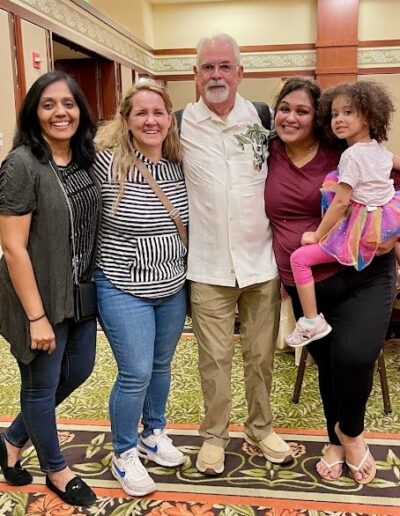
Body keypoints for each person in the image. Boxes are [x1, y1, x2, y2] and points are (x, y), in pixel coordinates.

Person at [265, 76, 396, 485]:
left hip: (363, 274)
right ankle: (335, 441)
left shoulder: (347, 152)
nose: (292, 117)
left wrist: (392, 233)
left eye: (303, 110)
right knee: (330, 365)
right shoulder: (267, 152)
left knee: (355, 357)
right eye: (284, 109)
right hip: (310, 285)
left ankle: (351, 434)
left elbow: (388, 185)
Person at [180, 33, 292, 476]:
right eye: (208, 67)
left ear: (241, 72)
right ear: (195, 74)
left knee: (261, 356)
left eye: (225, 66)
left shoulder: (264, 121)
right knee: (214, 359)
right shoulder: (179, 124)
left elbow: (314, 152)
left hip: (259, 263)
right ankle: (214, 435)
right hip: (207, 266)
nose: (216, 75)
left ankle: (261, 427)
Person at [0, 71, 99, 507]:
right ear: (34, 113)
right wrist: (36, 316)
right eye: (48, 104)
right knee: (41, 385)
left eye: (69, 103)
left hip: (78, 291)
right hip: (36, 295)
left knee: (78, 371)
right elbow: (13, 247)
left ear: (80, 110)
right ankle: (56, 469)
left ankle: (11, 440)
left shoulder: (84, 159)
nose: (61, 112)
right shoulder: (22, 164)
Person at [94, 82, 188, 497]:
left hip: (172, 285)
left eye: (159, 113)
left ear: (170, 119)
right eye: (141, 113)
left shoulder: (176, 164)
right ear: (126, 119)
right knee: (135, 372)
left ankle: (154, 433)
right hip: (122, 285)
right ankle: (124, 452)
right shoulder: (106, 164)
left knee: (161, 366)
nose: (151, 120)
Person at [285, 80, 400, 348]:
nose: (339, 119)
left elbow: (341, 203)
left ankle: (312, 320)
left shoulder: (351, 156)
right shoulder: (379, 149)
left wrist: (317, 234)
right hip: (386, 219)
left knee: (300, 259)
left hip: (361, 228)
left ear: (369, 117)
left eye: (348, 112)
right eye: (335, 113)